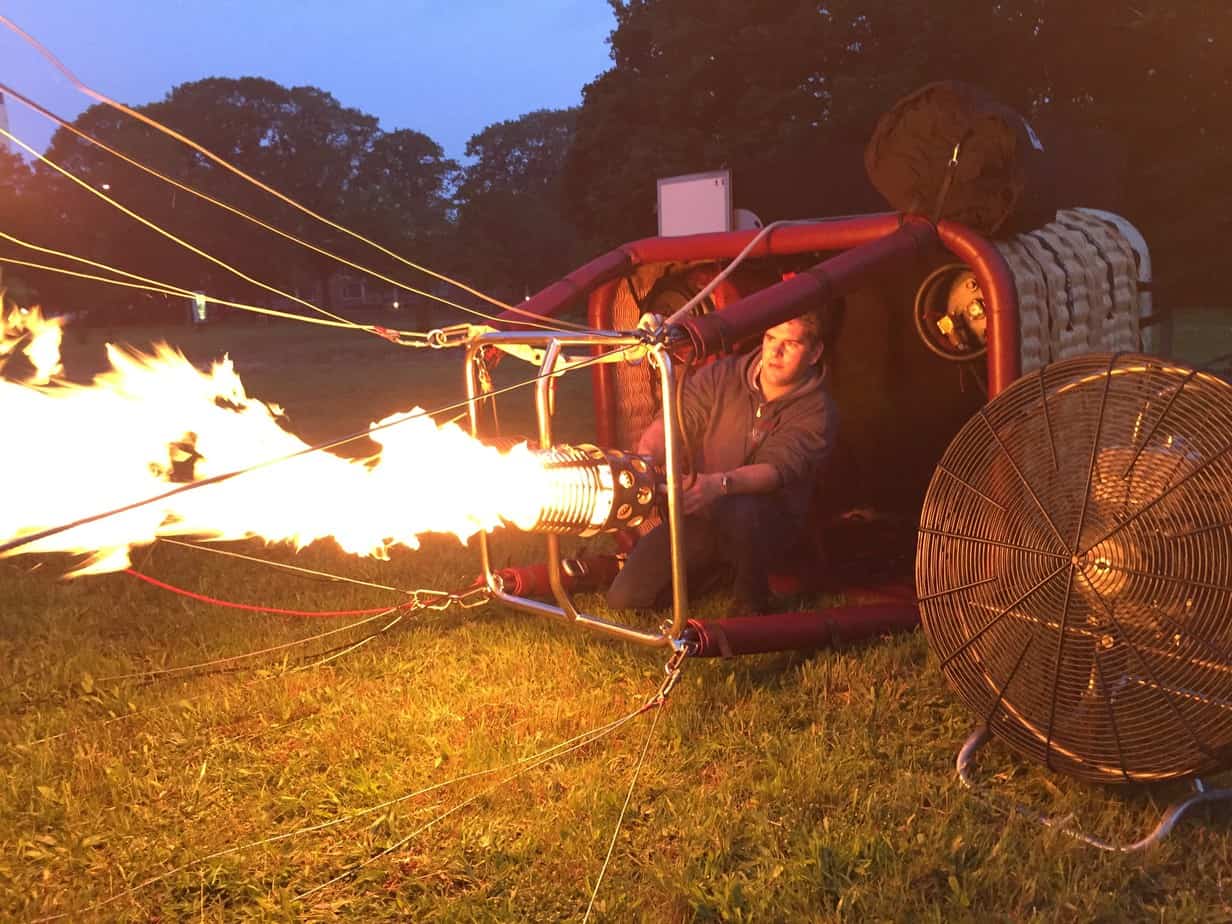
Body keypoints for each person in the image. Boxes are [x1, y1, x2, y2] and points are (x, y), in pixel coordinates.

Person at [606, 308, 836, 614]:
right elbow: (677, 418)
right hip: (705, 514)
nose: (775, 351)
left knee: (743, 508)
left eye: (790, 344)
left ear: (815, 352)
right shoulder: (724, 375)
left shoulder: (817, 410)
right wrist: (645, 460)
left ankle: (751, 599)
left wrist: (718, 484)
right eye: (770, 338)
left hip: (769, 525)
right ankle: (717, 572)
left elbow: (778, 468)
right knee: (625, 598)